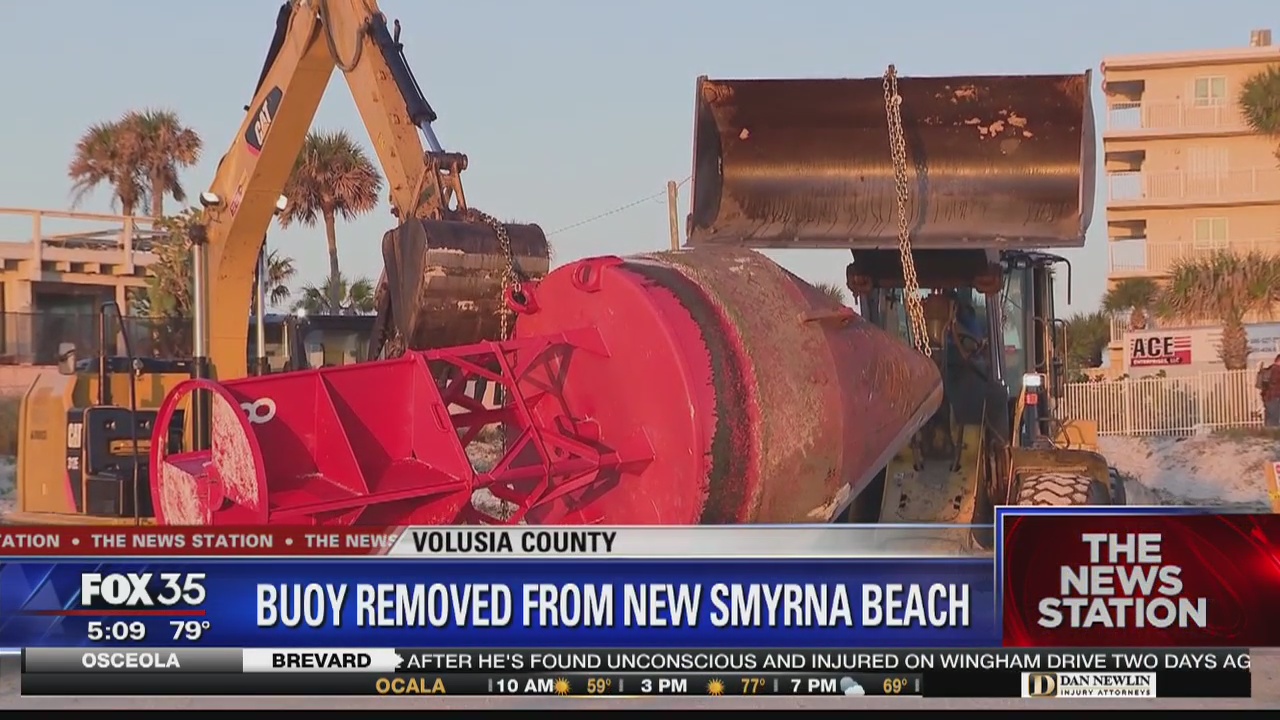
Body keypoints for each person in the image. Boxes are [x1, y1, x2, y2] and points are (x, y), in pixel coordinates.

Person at [1260, 355, 1280, 427]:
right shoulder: (1277, 370)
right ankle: (1274, 435)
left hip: (1268, 397)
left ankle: (1269, 434)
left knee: (1270, 418)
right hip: (1276, 396)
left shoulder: (1269, 369)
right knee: (1274, 420)